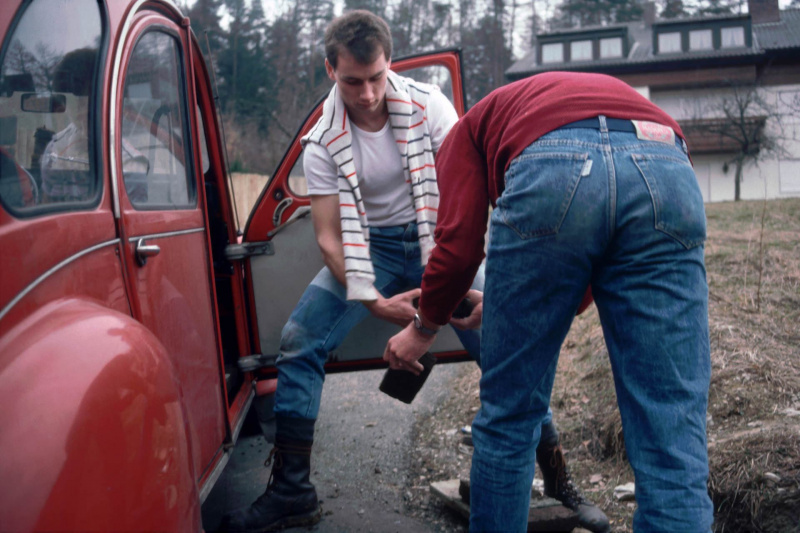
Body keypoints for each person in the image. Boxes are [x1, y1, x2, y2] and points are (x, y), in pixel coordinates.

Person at [221, 11, 606, 533]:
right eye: (352, 81)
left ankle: (561, 483)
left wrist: (449, 284)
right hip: (370, 247)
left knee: (507, 345)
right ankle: (292, 491)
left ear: (389, 63)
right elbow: (330, 237)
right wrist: (375, 302)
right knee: (298, 338)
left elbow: (469, 202)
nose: (367, 93)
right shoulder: (321, 142)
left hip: (440, 240)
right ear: (330, 68)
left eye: (377, 77)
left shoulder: (431, 106)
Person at [384, 72, 713, 532]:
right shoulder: (531, 102)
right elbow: (602, 241)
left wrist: (424, 326)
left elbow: (457, 246)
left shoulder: (460, 135)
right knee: (672, 430)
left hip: (552, 163)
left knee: (509, 419)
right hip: (665, 160)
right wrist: (505, 300)